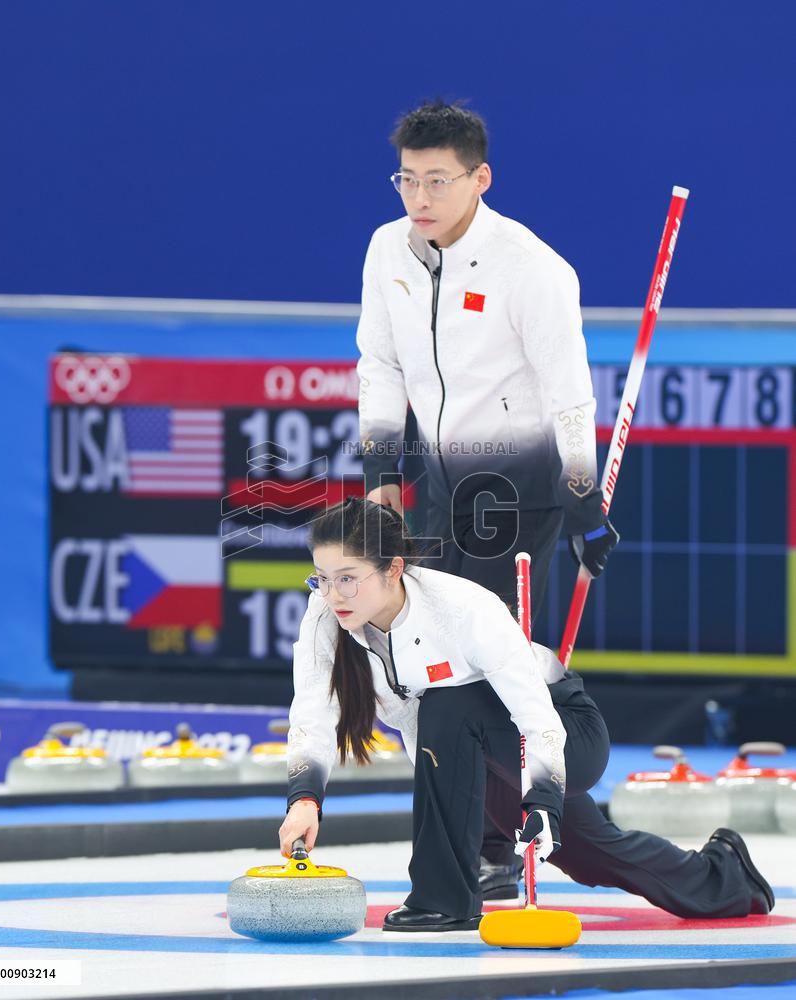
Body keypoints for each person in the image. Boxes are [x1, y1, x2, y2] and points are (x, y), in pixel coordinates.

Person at [279, 499, 774, 932]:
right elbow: (313, 712)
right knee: (589, 855)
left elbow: (537, 716)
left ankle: (443, 900)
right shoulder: (325, 618)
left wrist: (544, 799)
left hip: (563, 731)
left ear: (392, 568)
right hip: (475, 747)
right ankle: (724, 877)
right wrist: (305, 799)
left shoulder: (463, 609)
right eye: (321, 579)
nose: (333, 594)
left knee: (447, 700)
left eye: (347, 579)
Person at [356, 99, 619, 896]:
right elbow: (380, 366)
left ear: (480, 179)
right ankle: (469, 831)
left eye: (438, 180)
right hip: (436, 486)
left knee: (498, 666)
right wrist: (379, 478)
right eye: (407, 179)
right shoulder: (385, 250)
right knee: (434, 661)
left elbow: (569, 392)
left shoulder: (533, 268)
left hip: (523, 495)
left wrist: (583, 500)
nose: (420, 198)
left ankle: (501, 840)